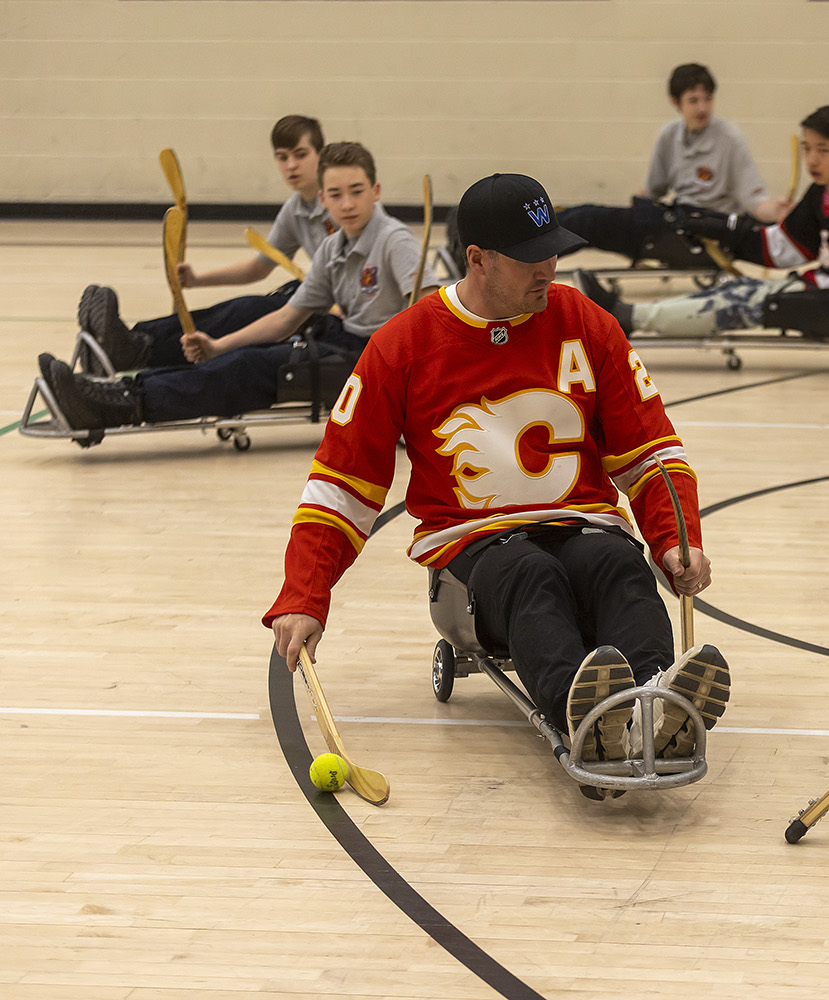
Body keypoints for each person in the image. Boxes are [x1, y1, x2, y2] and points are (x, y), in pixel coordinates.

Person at [265, 172, 731, 778]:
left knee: (620, 564)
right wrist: (305, 596)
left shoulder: (587, 323)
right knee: (530, 572)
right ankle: (585, 722)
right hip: (476, 547)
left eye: (553, 251)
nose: (549, 269)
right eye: (530, 258)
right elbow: (341, 487)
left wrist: (676, 538)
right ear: (477, 260)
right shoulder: (401, 347)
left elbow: (652, 452)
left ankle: (653, 708)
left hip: (581, 524)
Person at [39, 141, 428, 431]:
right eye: (337, 195)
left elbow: (436, 307)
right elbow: (286, 319)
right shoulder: (333, 247)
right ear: (323, 199)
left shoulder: (395, 240)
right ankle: (132, 355)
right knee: (252, 315)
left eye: (358, 192)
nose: (347, 204)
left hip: (380, 365)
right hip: (345, 336)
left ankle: (120, 405)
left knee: (251, 366)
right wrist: (216, 346)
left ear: (376, 191)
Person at [575, 105, 829, 390]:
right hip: (824, 291)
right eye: (807, 148)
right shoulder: (822, 194)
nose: (812, 159)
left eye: (823, 150)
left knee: (743, 301)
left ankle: (630, 318)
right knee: (739, 288)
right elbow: (783, 248)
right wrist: (725, 231)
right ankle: (630, 315)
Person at [76, 115, 334, 376]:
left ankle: (139, 352)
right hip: (312, 296)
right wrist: (197, 279)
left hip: (336, 313)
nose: (291, 165)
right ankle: (131, 340)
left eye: (300, 155)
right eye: (282, 157)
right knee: (232, 310)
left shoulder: (341, 202)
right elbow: (258, 268)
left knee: (249, 312)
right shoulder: (295, 209)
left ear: (321, 155)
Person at [555, 63, 790, 263]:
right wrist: (630, 211)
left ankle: (532, 254)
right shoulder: (669, 135)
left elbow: (755, 201)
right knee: (585, 215)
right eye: (694, 100)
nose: (703, 108)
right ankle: (533, 239)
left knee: (586, 221)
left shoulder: (731, 140)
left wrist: (775, 211)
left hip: (704, 230)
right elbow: (653, 191)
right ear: (676, 102)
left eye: (708, 99)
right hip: (673, 218)